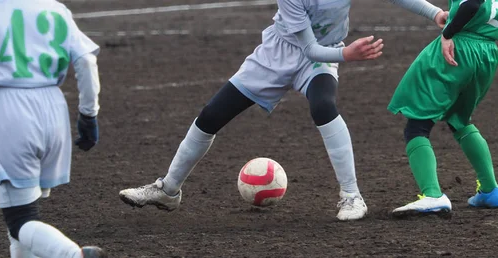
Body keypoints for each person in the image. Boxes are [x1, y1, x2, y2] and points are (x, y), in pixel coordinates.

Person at [119, 0, 447, 221]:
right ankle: (168, 190)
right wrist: (347, 54)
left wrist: (435, 14)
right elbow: (308, 46)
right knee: (211, 116)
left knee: (323, 106)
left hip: (320, 59)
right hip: (279, 53)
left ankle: (352, 196)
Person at [0, 0, 106, 256]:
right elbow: (87, 62)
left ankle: (74, 255)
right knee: (23, 215)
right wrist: (88, 115)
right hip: (53, 110)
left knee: (20, 219)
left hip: (9, 111)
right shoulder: (56, 9)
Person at [387, 0, 498, 217]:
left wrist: (448, 34)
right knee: (460, 120)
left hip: (459, 46)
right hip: (487, 53)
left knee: (417, 125)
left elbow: (473, 3)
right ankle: (490, 190)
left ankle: (433, 195)